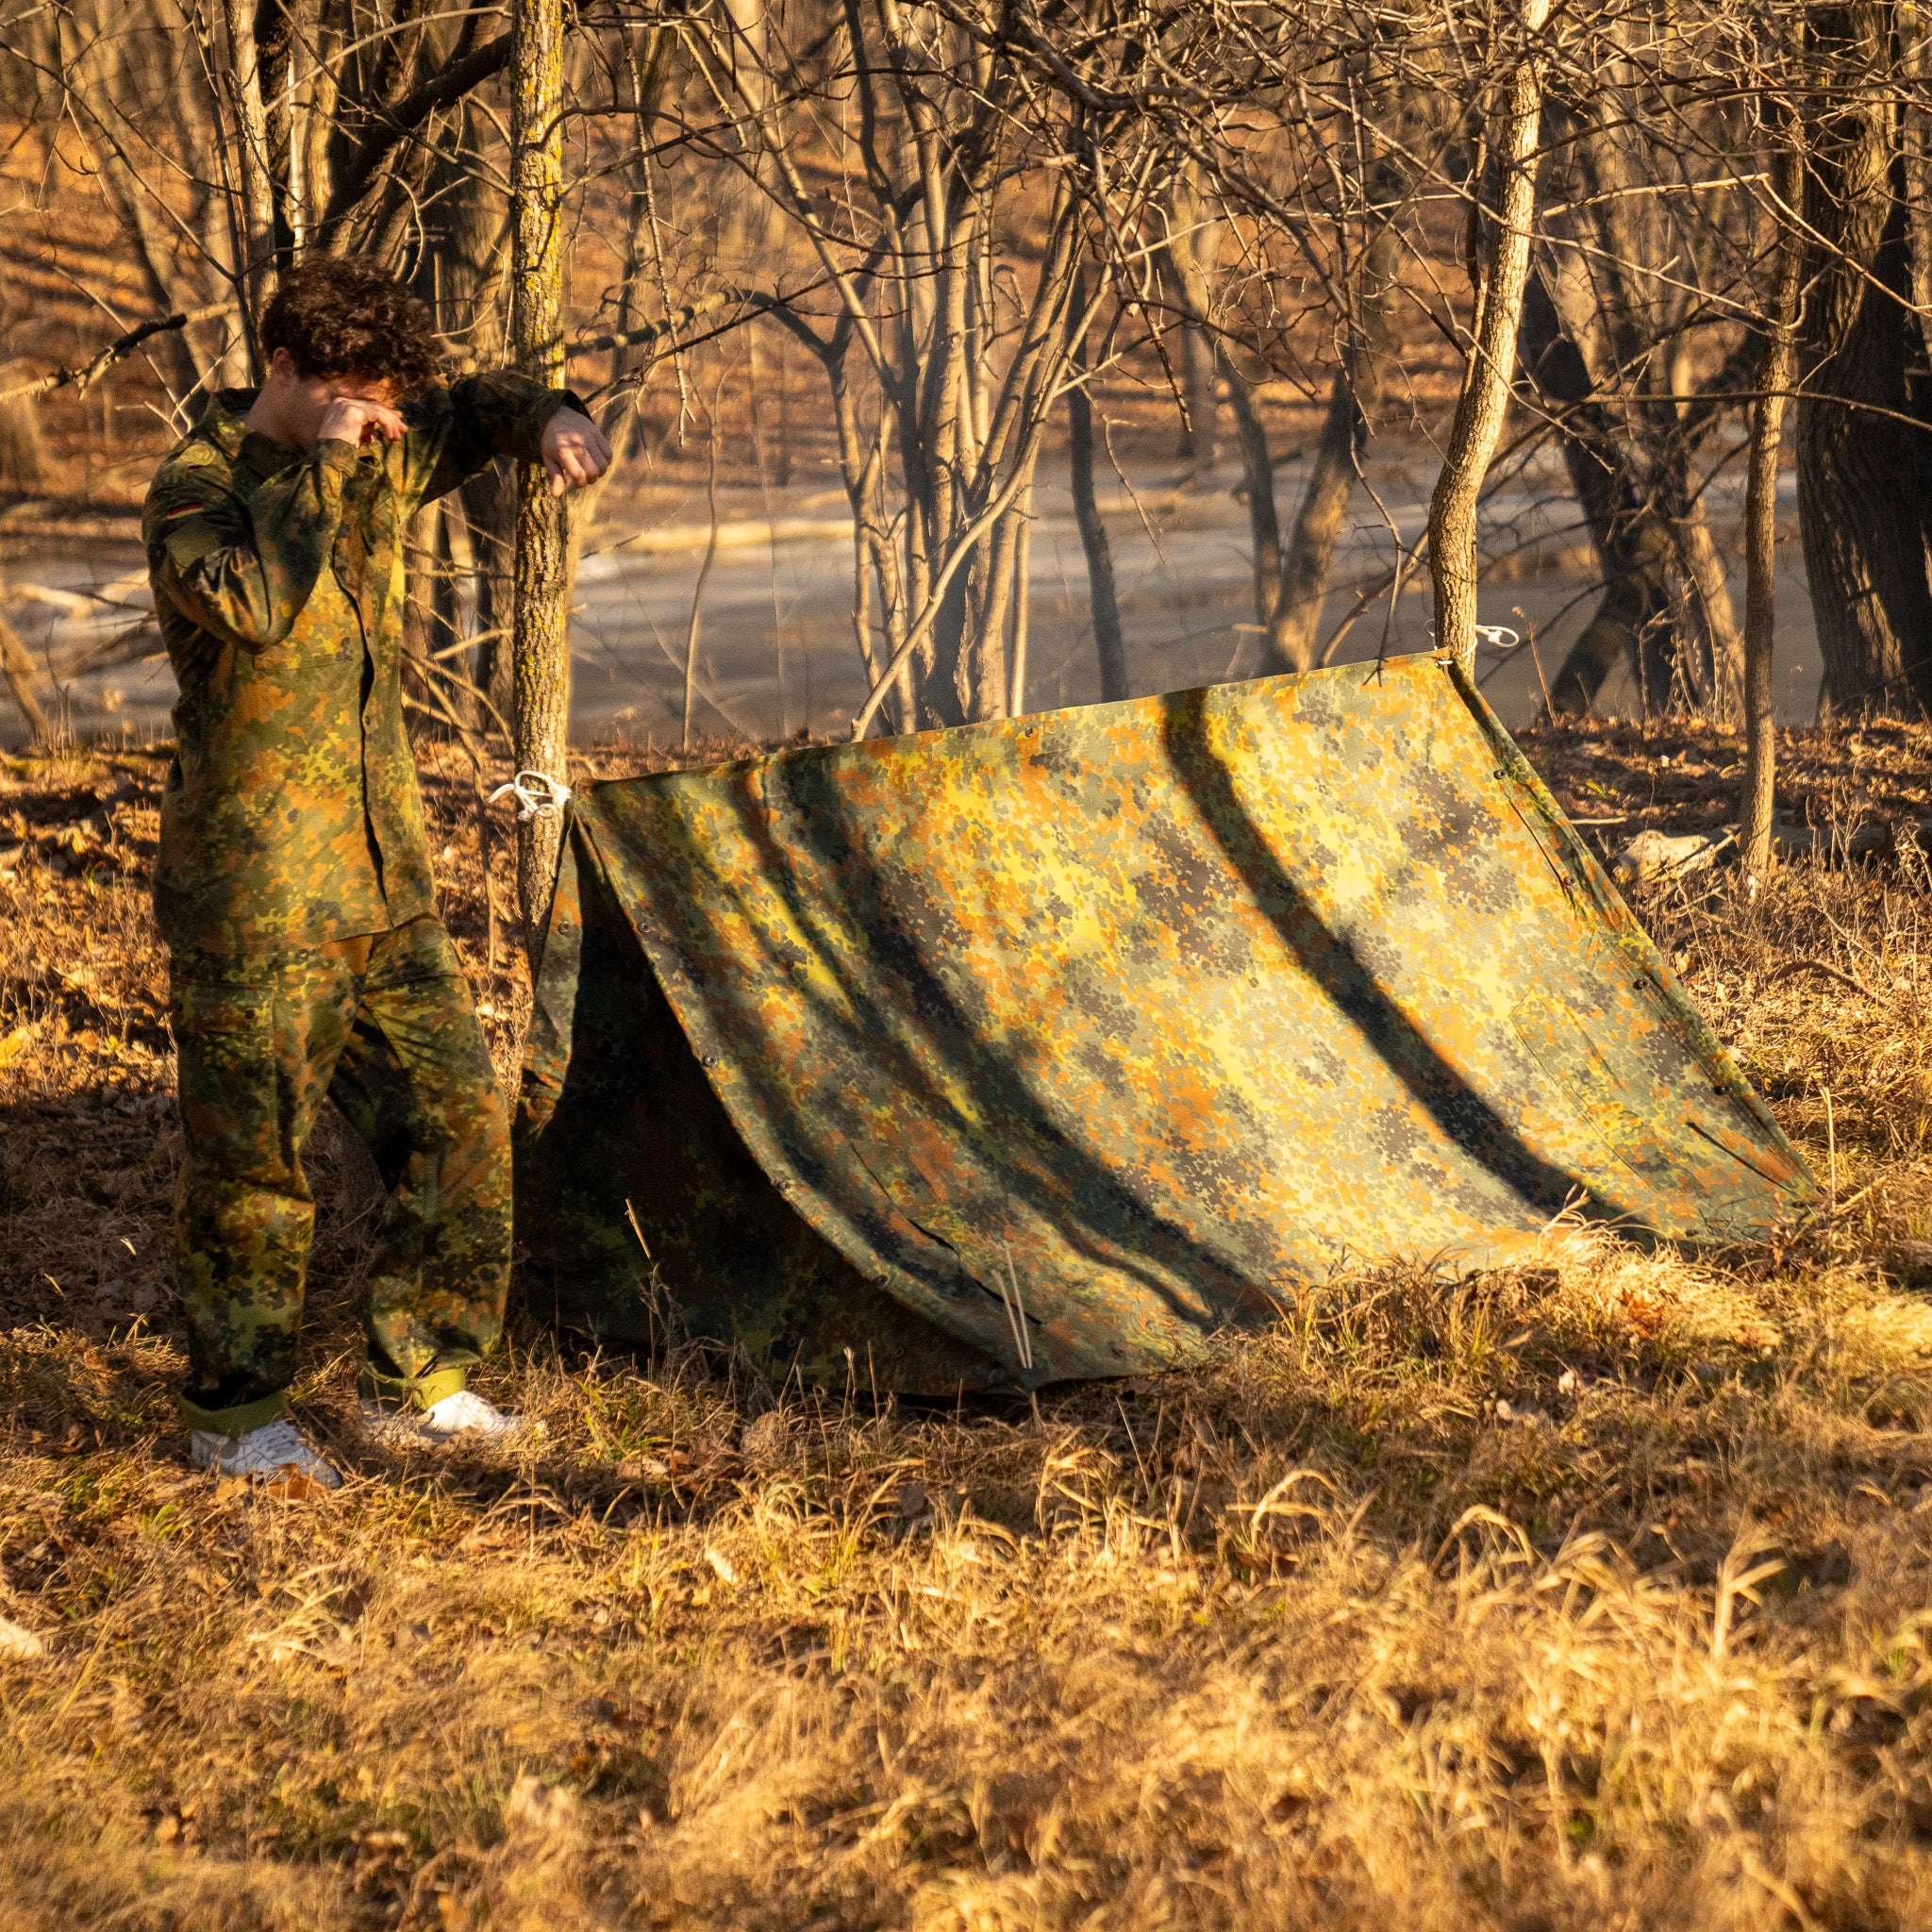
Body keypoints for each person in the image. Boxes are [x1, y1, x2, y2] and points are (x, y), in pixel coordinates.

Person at [142, 257, 612, 1491]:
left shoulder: (382, 441)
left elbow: (475, 403)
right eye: (352, 394)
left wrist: (549, 416)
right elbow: (255, 600)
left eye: (383, 399)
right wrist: (329, 461)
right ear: (284, 370)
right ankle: (235, 1419)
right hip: (258, 900)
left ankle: (423, 1382)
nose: (383, 416)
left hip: (381, 882)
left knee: (459, 1112)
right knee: (259, 1163)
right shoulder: (197, 489)